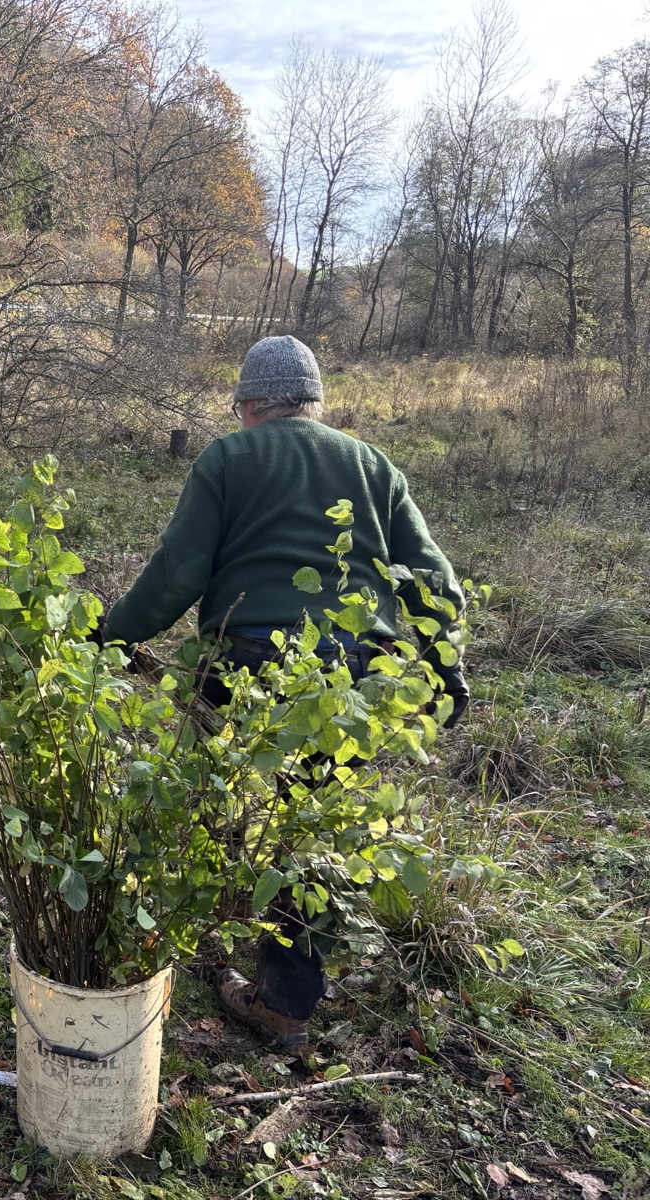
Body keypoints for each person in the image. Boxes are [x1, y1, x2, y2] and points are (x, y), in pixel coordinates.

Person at [98, 335, 469, 1050]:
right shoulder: (371, 463)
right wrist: (445, 662)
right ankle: (280, 984)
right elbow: (434, 581)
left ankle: (234, 969)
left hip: (243, 668)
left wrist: (113, 635)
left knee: (230, 810)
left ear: (245, 405)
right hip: (350, 681)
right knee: (307, 826)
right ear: (315, 405)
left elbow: (179, 574)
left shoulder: (227, 458)